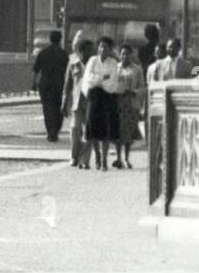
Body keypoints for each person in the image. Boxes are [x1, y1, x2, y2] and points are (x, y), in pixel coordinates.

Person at [81, 36, 120, 171]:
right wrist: (102, 77)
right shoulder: (92, 61)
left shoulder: (113, 63)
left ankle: (104, 159)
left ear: (110, 50)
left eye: (106, 47)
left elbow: (112, 83)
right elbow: (88, 80)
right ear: (98, 48)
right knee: (92, 129)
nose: (103, 49)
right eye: (101, 46)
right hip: (94, 97)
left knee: (105, 131)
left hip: (107, 98)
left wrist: (99, 79)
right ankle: (97, 156)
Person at [59, 34, 95, 168]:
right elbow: (67, 84)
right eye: (89, 50)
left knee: (89, 132)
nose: (92, 53)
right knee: (75, 129)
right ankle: (74, 156)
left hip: (92, 102)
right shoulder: (73, 64)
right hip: (77, 102)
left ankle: (84, 159)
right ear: (82, 51)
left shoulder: (96, 64)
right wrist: (64, 101)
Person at [31, 29, 69, 142]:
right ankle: (55, 131)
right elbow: (68, 71)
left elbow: (36, 70)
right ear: (60, 40)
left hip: (45, 84)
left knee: (47, 109)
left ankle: (50, 132)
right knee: (58, 109)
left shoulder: (43, 53)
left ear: (50, 39)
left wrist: (34, 83)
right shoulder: (64, 54)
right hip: (60, 84)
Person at [113, 44, 145, 170]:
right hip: (117, 103)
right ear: (119, 55)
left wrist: (134, 92)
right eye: (122, 54)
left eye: (127, 53)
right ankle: (118, 157)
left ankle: (126, 158)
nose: (125, 56)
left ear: (131, 55)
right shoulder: (115, 68)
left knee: (128, 132)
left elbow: (142, 88)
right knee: (117, 131)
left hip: (131, 104)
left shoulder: (137, 70)